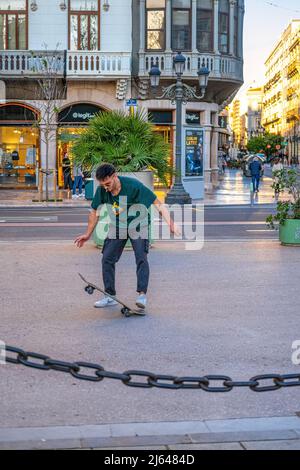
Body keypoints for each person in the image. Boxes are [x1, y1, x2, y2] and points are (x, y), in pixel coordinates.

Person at [74, 163, 180, 311]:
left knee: (141, 258)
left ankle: (142, 295)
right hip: (118, 225)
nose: (106, 187)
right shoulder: (102, 190)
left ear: (114, 176)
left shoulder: (134, 186)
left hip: (139, 225)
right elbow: (94, 211)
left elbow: (158, 204)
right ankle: (109, 296)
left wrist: (171, 224)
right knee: (107, 258)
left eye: (108, 183)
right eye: (103, 185)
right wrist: (87, 234)